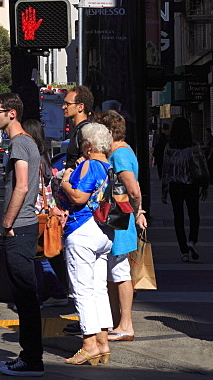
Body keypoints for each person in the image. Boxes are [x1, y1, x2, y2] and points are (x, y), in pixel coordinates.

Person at [0, 93, 43, 377]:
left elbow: (21, 187)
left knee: (25, 296)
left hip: (20, 227)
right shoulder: (25, 142)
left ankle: (32, 360)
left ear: (11, 113)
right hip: (24, 226)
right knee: (25, 296)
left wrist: (8, 222)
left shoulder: (20, 143)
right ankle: (28, 356)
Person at [55, 122, 114, 366]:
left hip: (82, 230)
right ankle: (103, 342)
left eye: (81, 144)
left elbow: (78, 196)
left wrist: (65, 181)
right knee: (99, 289)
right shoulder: (107, 166)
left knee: (82, 290)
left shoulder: (89, 164)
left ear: (89, 146)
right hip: (103, 232)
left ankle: (89, 345)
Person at [96, 110, 146, 341]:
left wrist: (137, 211)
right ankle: (117, 322)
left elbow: (133, 189)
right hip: (119, 219)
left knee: (120, 271)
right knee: (113, 273)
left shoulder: (120, 155)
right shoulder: (118, 152)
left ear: (108, 133)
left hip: (121, 220)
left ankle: (125, 324)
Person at [22, 117, 68, 307]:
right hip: (46, 211)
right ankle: (56, 293)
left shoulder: (34, 159)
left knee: (37, 256)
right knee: (42, 255)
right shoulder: (44, 157)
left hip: (36, 213)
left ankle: (46, 294)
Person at [161, 116, 209, 261]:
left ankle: (184, 252)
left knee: (178, 217)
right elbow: (202, 167)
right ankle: (192, 240)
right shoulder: (194, 146)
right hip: (191, 185)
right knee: (194, 214)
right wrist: (205, 186)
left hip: (175, 186)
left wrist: (164, 191)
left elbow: (165, 170)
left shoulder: (169, 148)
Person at [62, 86, 95, 169]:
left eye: (68, 104)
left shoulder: (85, 131)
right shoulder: (78, 130)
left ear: (80, 107)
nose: (63, 107)